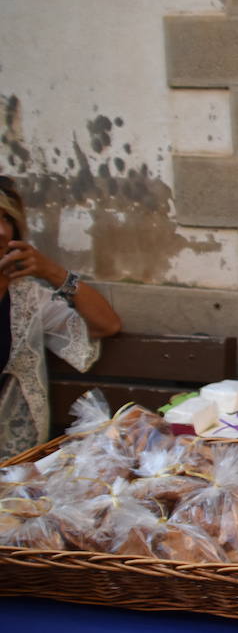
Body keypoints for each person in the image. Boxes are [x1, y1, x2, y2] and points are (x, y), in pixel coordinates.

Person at [1, 176, 121, 453]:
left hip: (15, 463)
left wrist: (53, 272)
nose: (1, 231)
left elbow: (106, 325)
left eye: (7, 219)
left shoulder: (26, 297)